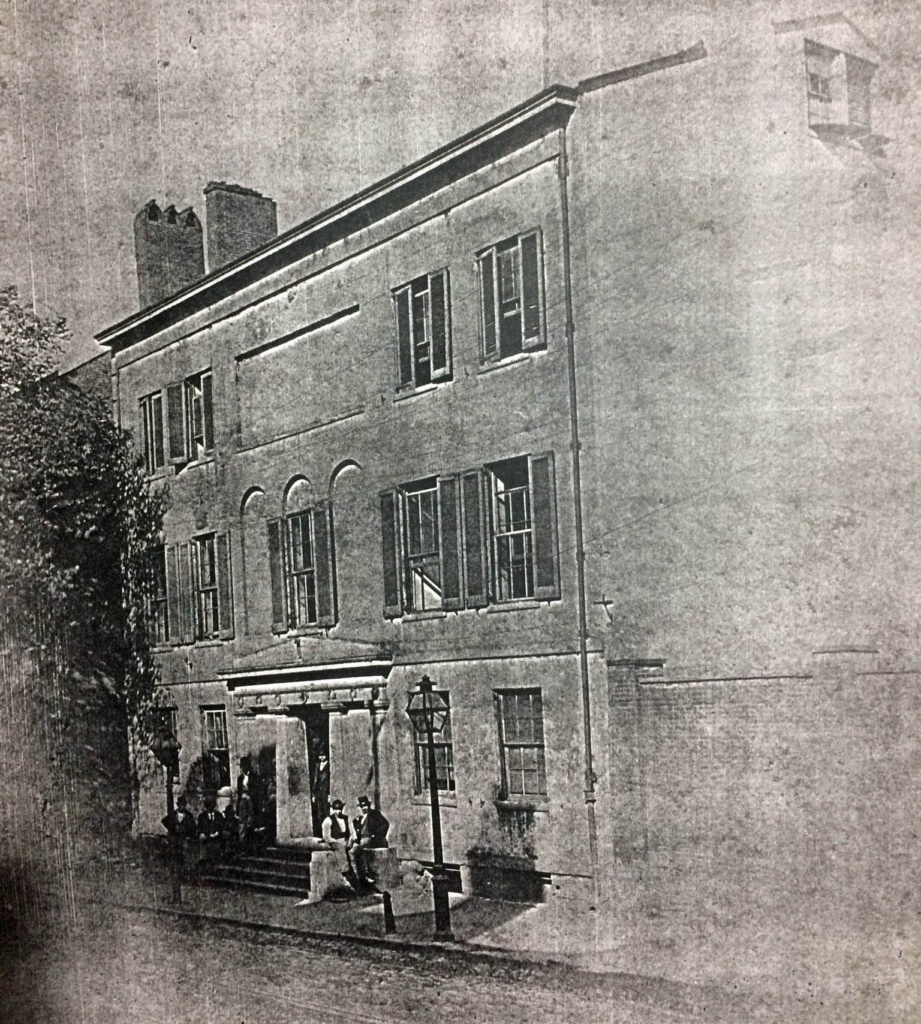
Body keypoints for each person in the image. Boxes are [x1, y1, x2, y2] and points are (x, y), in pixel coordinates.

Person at [348, 796, 389, 890]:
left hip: (370, 838)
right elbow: (358, 830)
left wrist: (376, 835)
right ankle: (356, 876)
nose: (364, 808)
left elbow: (385, 824)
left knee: (356, 850)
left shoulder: (375, 814)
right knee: (349, 850)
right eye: (362, 807)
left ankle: (366, 874)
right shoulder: (360, 818)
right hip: (361, 839)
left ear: (369, 805)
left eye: (365, 806)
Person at [321, 798, 352, 882]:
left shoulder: (346, 818)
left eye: (339, 809)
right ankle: (345, 873)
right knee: (340, 848)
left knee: (354, 849)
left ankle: (360, 875)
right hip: (334, 842)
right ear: (332, 809)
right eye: (335, 809)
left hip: (345, 840)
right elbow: (326, 837)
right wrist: (334, 841)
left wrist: (350, 841)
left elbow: (352, 832)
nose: (338, 811)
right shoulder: (328, 820)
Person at [197, 795, 223, 864]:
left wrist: (217, 833)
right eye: (209, 805)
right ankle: (203, 858)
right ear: (206, 806)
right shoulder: (202, 816)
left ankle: (220, 856)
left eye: (212, 805)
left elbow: (222, 826)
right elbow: (200, 828)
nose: (211, 807)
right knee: (202, 837)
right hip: (207, 836)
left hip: (217, 836)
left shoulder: (219, 815)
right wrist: (209, 834)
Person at [311, 752, 330, 836]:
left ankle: (328, 833)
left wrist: (329, 794)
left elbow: (329, 780)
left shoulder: (329, 765)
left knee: (326, 812)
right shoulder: (318, 766)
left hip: (325, 791)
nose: (322, 757)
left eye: (323, 755)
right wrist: (314, 794)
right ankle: (322, 834)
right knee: (320, 813)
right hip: (319, 792)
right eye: (320, 756)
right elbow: (315, 780)